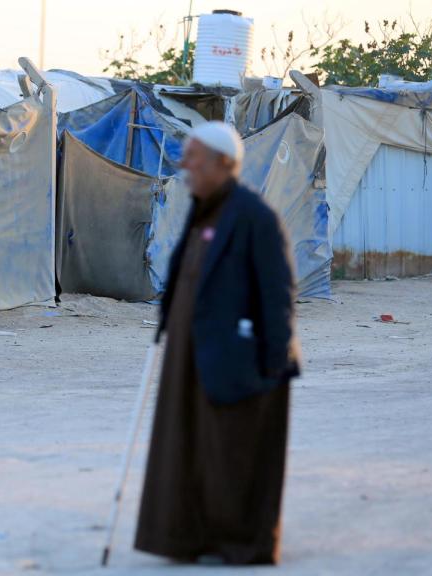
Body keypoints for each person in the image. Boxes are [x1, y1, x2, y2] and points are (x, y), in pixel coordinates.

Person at [134, 122, 300, 565]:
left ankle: (242, 544)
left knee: (234, 454)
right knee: (190, 448)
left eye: (194, 158)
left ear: (223, 165)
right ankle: (189, 537)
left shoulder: (254, 216)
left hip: (242, 359)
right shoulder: (203, 209)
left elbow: (278, 293)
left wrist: (271, 365)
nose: (184, 166)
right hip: (193, 355)